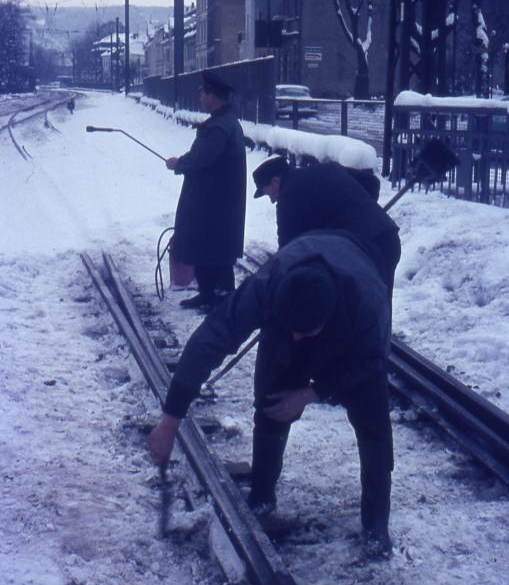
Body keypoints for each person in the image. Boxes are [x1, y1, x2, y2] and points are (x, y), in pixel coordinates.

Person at [149, 231, 393, 556]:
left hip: (356, 310)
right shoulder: (269, 285)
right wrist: (170, 420)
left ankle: (376, 527)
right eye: (289, 328)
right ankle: (262, 496)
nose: (295, 338)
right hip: (302, 284)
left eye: (302, 332)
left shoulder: (369, 302)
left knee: (373, 424)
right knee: (273, 396)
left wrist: (312, 392)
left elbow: (370, 360)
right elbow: (211, 337)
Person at [252, 156, 401, 298]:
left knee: (362, 314)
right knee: (379, 313)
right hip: (388, 237)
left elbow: (287, 252)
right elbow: (372, 184)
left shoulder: (288, 195)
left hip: (365, 252)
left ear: (275, 181)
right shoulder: (326, 168)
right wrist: (358, 211)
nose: (271, 200)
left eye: (267, 192)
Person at [166, 71, 247, 312]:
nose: (200, 97)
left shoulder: (220, 127)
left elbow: (202, 158)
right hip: (214, 198)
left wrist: (178, 164)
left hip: (215, 201)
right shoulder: (223, 122)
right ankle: (208, 293)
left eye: (203, 93)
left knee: (213, 246)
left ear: (213, 96)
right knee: (205, 244)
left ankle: (220, 296)